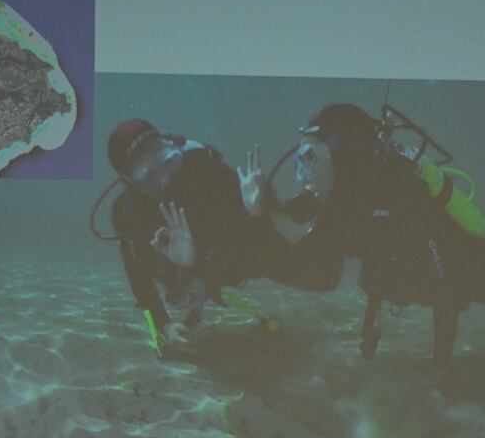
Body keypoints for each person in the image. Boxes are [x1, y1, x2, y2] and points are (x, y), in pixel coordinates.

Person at [274, 103, 485, 380]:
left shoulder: (402, 194)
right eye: (305, 157)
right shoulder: (344, 199)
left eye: (315, 156)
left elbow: (445, 291)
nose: (307, 171)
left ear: (344, 155)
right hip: (417, 279)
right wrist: (261, 206)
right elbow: (307, 236)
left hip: (469, 267)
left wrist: (441, 365)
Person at [105, 119, 341, 354]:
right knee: (178, 295)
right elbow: (140, 282)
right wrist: (162, 326)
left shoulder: (202, 166)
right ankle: (194, 280)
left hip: (234, 252)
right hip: (184, 269)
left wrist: (257, 212)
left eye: (167, 162)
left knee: (323, 278)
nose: (165, 180)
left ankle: (338, 206)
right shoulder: (130, 214)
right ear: (129, 181)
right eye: (149, 176)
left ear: (172, 148)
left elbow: (252, 242)